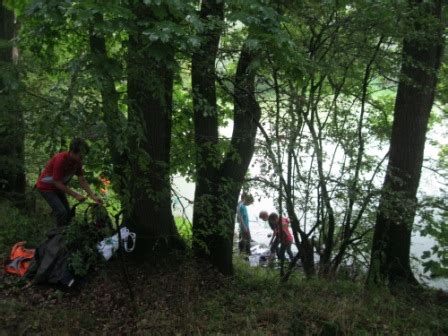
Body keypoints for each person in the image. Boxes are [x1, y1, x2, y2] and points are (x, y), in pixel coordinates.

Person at [35, 137, 102, 227]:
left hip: (58, 188)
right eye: (81, 156)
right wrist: (76, 195)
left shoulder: (77, 162)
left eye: (84, 155)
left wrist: (93, 196)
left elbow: (82, 180)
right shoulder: (60, 160)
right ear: (72, 151)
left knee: (68, 213)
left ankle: (66, 232)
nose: (82, 158)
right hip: (46, 188)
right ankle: (57, 235)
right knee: (61, 212)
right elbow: (57, 182)